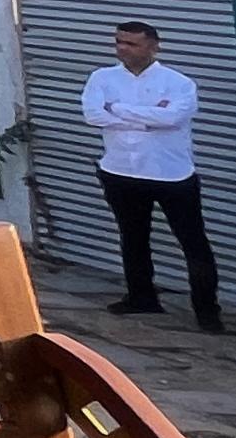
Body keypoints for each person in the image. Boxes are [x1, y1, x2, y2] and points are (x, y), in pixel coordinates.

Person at [85, 20, 221, 332]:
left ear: (153, 46)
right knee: (133, 237)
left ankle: (207, 311)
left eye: (131, 44)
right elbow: (93, 115)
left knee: (193, 242)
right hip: (120, 170)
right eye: (119, 42)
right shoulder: (102, 77)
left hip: (171, 174)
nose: (123, 49)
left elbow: (173, 117)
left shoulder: (177, 83)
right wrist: (148, 117)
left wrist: (118, 109)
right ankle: (140, 296)